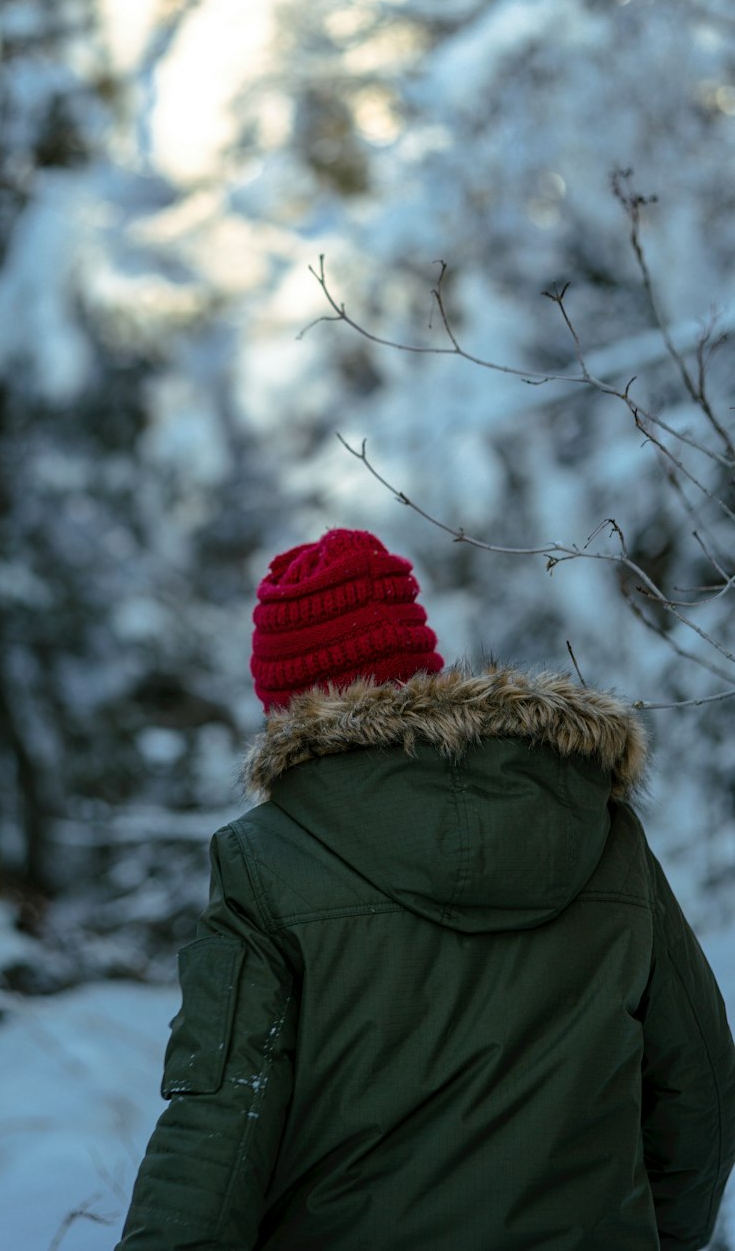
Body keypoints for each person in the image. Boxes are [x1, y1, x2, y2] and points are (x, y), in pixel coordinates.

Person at [116, 527, 735, 1250]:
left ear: (287, 707)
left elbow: (219, 1124)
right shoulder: (598, 825)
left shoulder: (264, 861)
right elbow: (703, 1086)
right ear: (421, 666)